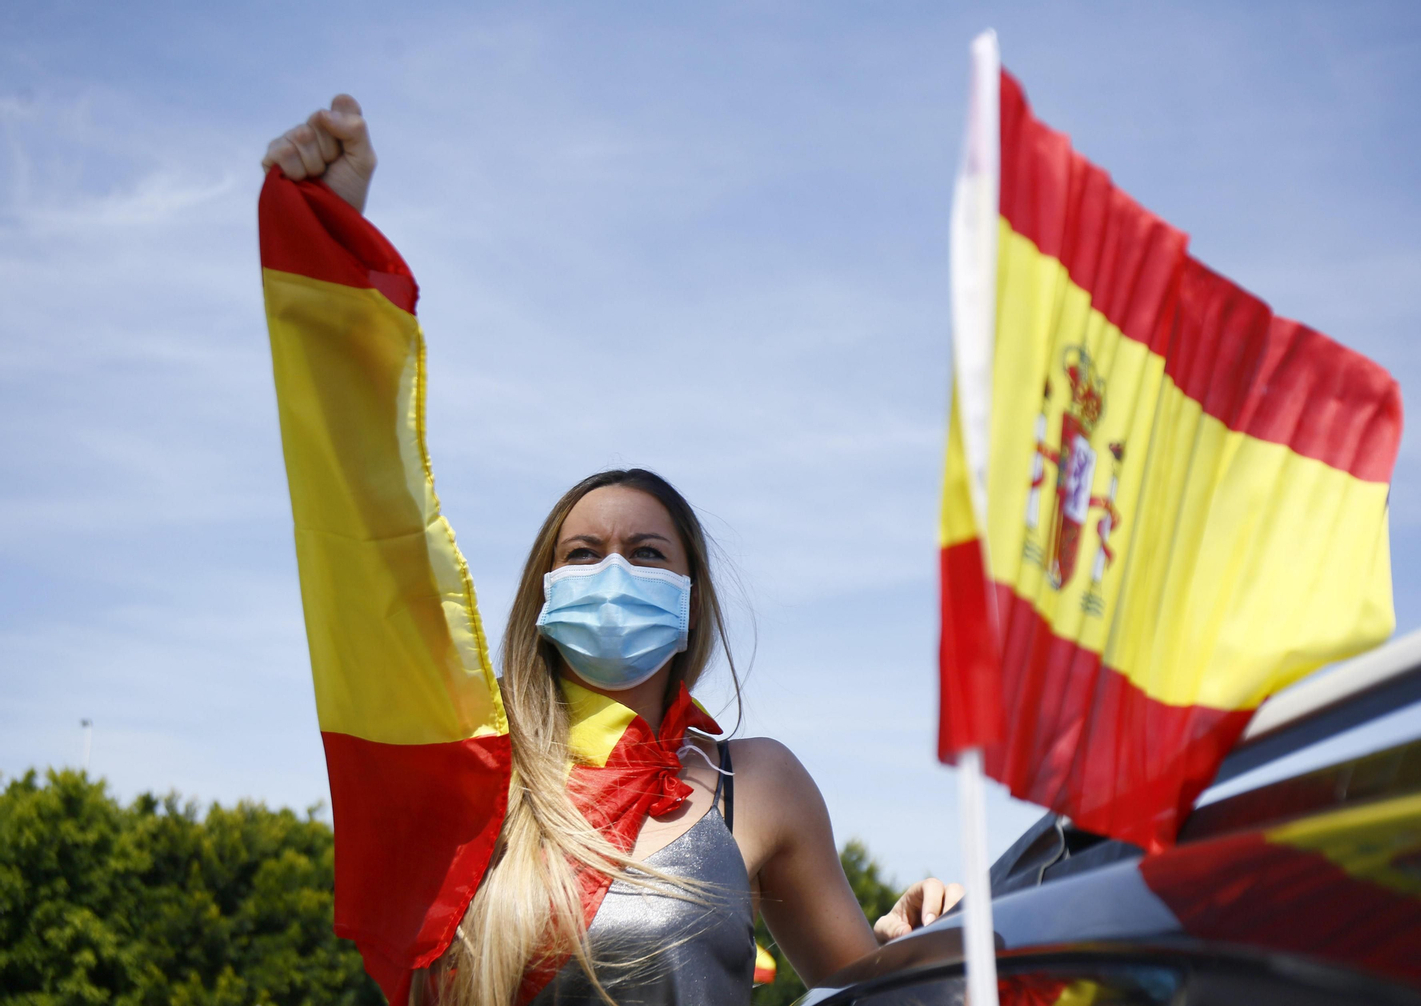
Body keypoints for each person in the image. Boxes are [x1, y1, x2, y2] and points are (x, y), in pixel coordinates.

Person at [261, 96, 964, 1006]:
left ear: (692, 599)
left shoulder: (759, 783)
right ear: (543, 595)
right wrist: (333, 235)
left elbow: (864, 989)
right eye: (583, 553)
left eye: (647, 553)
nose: (614, 571)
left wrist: (922, 938)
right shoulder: (472, 767)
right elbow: (364, 508)